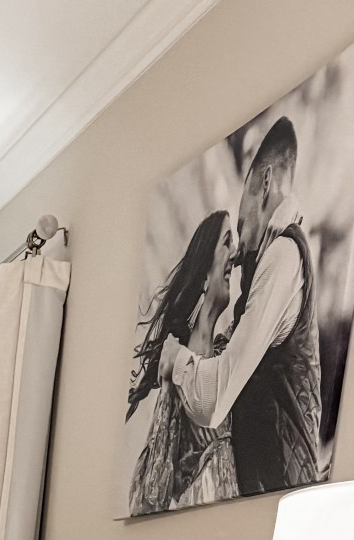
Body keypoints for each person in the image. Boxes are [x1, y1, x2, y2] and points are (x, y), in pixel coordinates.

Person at [158, 116, 321, 496]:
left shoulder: (282, 256)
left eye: (242, 206)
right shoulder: (271, 259)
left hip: (281, 493)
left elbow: (213, 402)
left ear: (264, 184)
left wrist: (175, 357)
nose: (236, 250)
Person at [126, 209, 240, 515]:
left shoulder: (225, 349)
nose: (235, 253)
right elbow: (153, 493)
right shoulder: (177, 365)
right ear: (204, 273)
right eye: (227, 242)